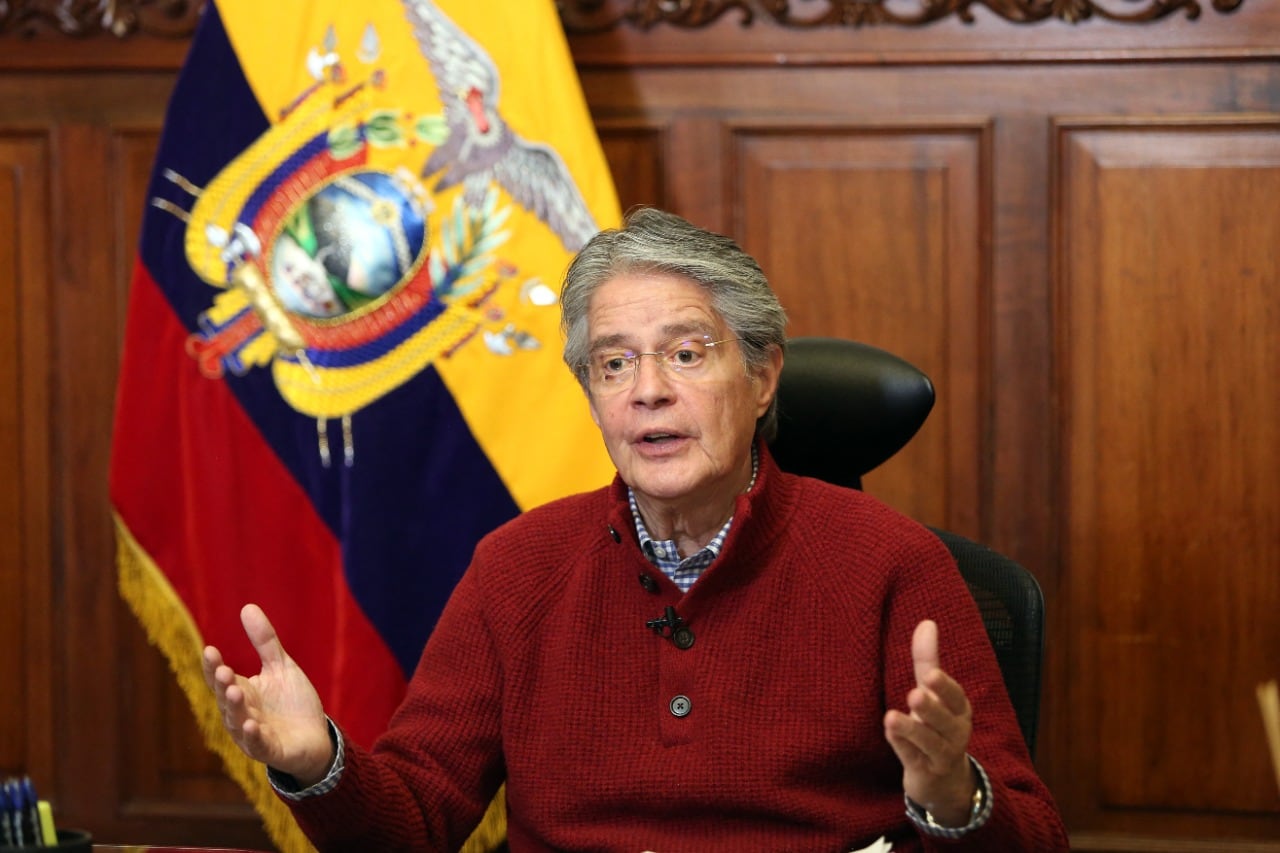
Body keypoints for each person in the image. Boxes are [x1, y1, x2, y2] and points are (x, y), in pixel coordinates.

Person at [202, 207, 1070, 852]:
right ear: (593, 397)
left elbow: (1035, 835)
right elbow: (419, 819)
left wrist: (954, 797)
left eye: (686, 353)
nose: (648, 390)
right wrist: (317, 763)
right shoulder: (517, 568)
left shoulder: (891, 562)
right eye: (614, 363)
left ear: (763, 377)